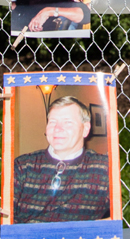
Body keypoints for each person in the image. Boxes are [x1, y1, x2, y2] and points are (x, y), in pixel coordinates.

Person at [12, 96, 110, 224]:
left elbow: (121, 217)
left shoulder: (103, 167)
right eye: (52, 122)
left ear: (85, 129)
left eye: (67, 122)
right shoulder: (23, 166)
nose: (57, 129)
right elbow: (8, 219)